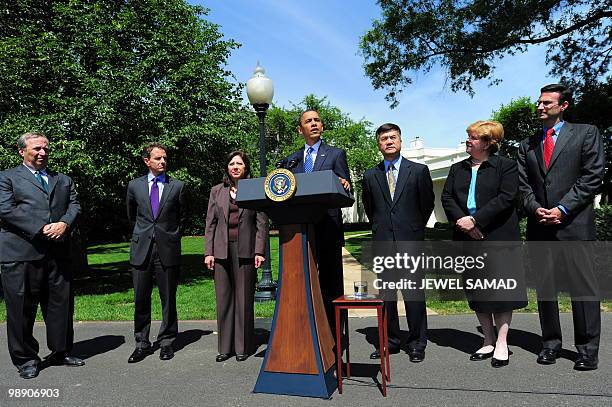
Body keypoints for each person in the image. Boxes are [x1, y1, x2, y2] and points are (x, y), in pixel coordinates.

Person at [517, 83, 605, 371]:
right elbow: (523, 185)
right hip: (540, 226)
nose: (540, 107)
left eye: (546, 103)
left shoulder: (585, 133)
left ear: (563, 106)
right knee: (546, 289)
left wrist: (563, 208)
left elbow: (592, 177)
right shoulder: (527, 144)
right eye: (539, 102)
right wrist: (535, 208)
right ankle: (550, 344)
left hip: (574, 225)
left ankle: (587, 350)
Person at [442, 120, 527, 367]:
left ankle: (502, 343)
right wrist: (462, 221)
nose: (468, 140)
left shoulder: (507, 167)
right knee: (477, 290)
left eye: (473, 137)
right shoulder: (457, 168)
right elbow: (447, 197)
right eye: (468, 136)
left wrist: (476, 221)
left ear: (489, 143)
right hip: (465, 237)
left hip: (497, 236)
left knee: (500, 291)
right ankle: (487, 340)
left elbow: (506, 197)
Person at [0, 132, 83, 379]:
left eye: (46, 149)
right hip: (21, 253)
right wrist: (42, 228)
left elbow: (75, 205)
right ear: (21, 151)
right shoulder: (7, 178)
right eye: (37, 148)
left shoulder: (63, 179)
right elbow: (6, 209)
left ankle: (61, 351)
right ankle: (25, 359)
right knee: (22, 309)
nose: (43, 153)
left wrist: (65, 224)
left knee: (61, 305)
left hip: (58, 254)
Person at [362, 123, 434, 362]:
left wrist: (411, 228)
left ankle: (417, 343)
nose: (389, 141)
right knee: (387, 296)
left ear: (400, 141)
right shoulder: (370, 175)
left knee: (413, 294)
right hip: (383, 243)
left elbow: (426, 205)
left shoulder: (419, 171)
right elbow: (371, 209)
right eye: (384, 138)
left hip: (410, 241)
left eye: (393, 137)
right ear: (378, 144)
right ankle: (390, 341)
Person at [284, 110, 351, 334]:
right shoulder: (291, 160)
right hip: (300, 231)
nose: (313, 124)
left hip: (328, 230)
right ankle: (305, 334)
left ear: (322, 127)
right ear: (299, 129)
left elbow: (347, 192)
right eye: (308, 121)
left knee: (331, 287)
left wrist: (342, 184)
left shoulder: (335, 154)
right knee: (303, 286)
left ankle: (333, 336)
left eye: (317, 120)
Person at [126, 142, 187, 363]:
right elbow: (132, 216)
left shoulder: (177, 186)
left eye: (164, 158)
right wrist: (142, 235)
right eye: (158, 158)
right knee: (141, 298)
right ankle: (141, 343)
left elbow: (182, 218)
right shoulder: (134, 186)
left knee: (168, 298)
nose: (163, 162)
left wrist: (170, 236)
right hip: (141, 249)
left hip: (167, 249)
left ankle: (167, 342)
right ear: (147, 161)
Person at [204, 151, 268, 362]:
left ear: (246, 167)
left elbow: (261, 223)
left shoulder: (254, 189)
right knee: (224, 299)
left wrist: (259, 251)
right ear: (227, 168)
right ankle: (225, 348)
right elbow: (210, 224)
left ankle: (242, 347)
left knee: (243, 299)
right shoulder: (216, 191)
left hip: (246, 251)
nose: (235, 166)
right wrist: (209, 252)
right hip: (221, 250)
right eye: (231, 163)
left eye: (239, 163)